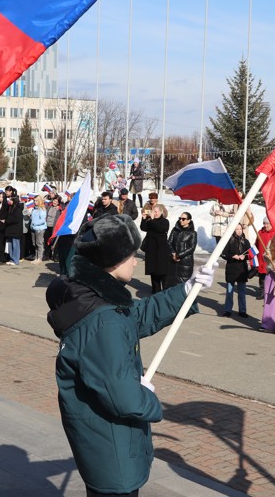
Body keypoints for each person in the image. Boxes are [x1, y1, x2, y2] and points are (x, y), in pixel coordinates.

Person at [45, 214, 215, 496]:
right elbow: (120, 395)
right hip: (112, 449)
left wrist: (187, 290)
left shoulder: (94, 299)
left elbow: (136, 316)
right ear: (112, 261)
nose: (136, 261)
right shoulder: (103, 321)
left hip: (101, 443)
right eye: (131, 255)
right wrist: (146, 397)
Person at [221, 223, 251, 318]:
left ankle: (242, 310)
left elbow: (250, 254)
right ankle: (227, 310)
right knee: (229, 291)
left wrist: (244, 257)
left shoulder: (245, 241)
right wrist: (233, 256)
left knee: (242, 291)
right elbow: (223, 254)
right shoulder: (229, 241)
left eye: (240, 229)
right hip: (231, 268)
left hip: (242, 269)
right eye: (236, 229)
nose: (239, 231)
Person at [140, 203, 171, 294]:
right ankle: (155, 291)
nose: (154, 213)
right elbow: (143, 227)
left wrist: (152, 219)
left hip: (161, 250)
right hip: (151, 250)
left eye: (156, 212)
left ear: (161, 212)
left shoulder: (165, 221)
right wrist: (144, 218)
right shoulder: (150, 221)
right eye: (153, 211)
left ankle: (165, 291)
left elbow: (160, 229)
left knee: (162, 271)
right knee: (153, 272)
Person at [168, 211, 198, 286]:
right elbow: (169, 242)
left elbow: (191, 248)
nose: (181, 220)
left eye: (183, 219)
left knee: (183, 284)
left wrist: (178, 255)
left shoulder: (192, 233)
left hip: (185, 262)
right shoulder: (175, 230)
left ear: (189, 220)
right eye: (180, 218)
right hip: (173, 260)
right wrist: (173, 253)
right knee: (170, 282)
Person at [2, 186, 24, 265]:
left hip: (16, 230)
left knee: (15, 245)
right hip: (10, 229)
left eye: (10, 200)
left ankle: (16, 259)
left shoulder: (17, 208)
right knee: (10, 244)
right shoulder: (10, 207)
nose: (9, 201)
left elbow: (16, 219)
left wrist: (7, 221)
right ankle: (11, 258)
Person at [256, 219, 275, 296]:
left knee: (270, 275)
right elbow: (256, 244)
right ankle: (262, 291)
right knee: (261, 276)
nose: (265, 225)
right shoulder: (260, 232)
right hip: (261, 257)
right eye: (264, 223)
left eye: (267, 224)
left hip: (270, 258)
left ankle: (270, 291)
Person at [30, 195, 48, 264]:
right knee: (35, 243)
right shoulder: (34, 209)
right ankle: (36, 257)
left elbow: (43, 220)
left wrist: (35, 223)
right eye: (34, 201)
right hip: (33, 228)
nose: (35, 202)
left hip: (39, 229)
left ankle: (39, 258)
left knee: (39, 243)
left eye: (36, 200)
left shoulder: (42, 209)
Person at [44, 196, 62, 260]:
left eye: (56, 202)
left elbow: (63, 210)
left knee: (54, 241)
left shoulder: (59, 209)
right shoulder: (49, 207)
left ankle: (55, 256)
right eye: (54, 201)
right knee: (47, 241)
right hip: (47, 225)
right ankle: (47, 255)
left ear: (58, 203)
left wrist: (60, 208)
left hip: (54, 227)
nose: (55, 202)